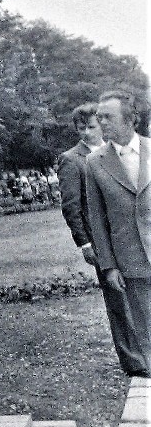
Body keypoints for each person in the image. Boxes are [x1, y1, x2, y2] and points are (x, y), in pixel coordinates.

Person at [57, 102, 145, 376]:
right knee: (119, 301)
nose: (85, 133)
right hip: (100, 240)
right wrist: (84, 243)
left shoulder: (120, 152)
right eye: (79, 128)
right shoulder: (73, 159)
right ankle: (133, 360)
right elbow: (72, 205)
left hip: (133, 237)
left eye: (91, 126)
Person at [85, 90, 151, 376]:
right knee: (147, 329)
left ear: (129, 120)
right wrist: (109, 265)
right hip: (131, 261)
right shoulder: (95, 162)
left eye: (107, 117)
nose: (101, 123)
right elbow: (97, 220)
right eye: (99, 118)